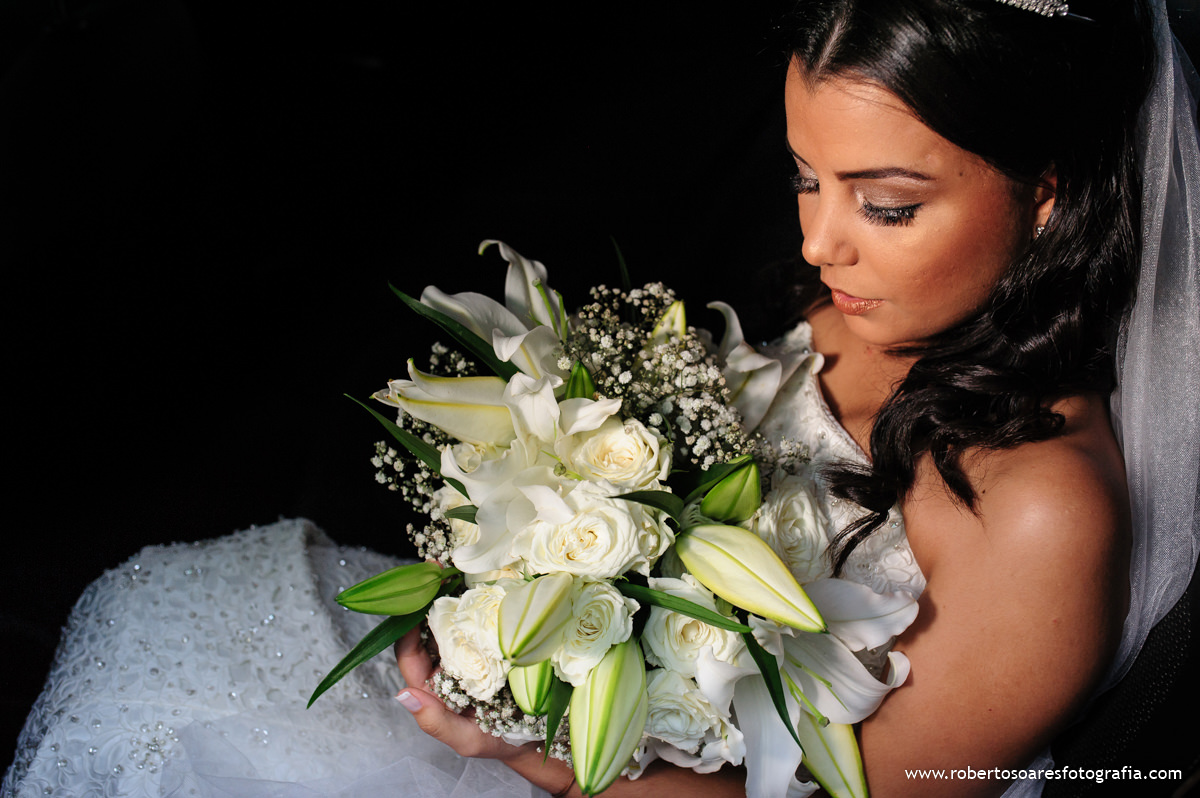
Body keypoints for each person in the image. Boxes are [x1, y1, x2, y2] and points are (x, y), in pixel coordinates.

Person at [5, 1, 1197, 797]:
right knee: (161, 620)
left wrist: (543, 753)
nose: (820, 242)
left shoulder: (1039, 514)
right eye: (802, 177)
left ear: (1048, 195)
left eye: (885, 204)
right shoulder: (884, 307)